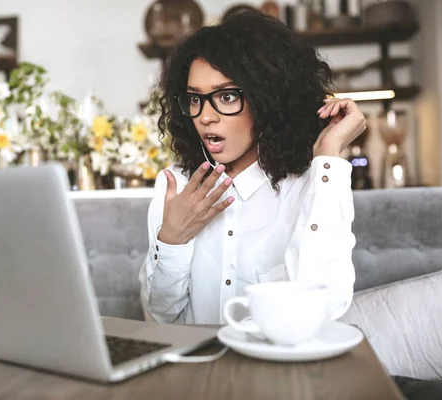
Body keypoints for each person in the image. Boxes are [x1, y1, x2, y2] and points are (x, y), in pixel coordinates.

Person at [138, 10, 366, 325]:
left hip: (276, 371)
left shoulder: (309, 185)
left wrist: (328, 157)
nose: (205, 116)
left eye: (227, 96)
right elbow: (160, 314)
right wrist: (172, 238)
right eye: (194, 99)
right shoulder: (175, 186)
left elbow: (322, 304)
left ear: (267, 101)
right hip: (196, 370)